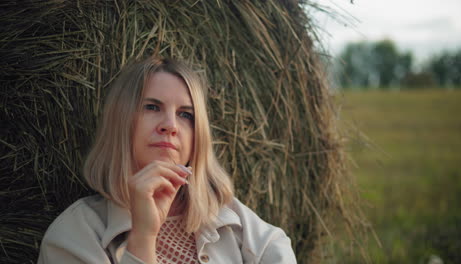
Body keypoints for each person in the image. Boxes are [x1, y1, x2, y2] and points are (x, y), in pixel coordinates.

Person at [38, 57, 297, 264]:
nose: (171, 126)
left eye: (185, 114)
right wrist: (143, 238)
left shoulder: (236, 222)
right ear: (121, 122)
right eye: (152, 107)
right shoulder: (73, 236)